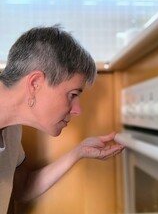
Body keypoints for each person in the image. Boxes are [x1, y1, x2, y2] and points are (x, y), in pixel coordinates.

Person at [0, 25, 124, 213]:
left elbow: (20, 187)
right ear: (35, 83)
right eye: (72, 94)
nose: (77, 110)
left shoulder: (12, 127)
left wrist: (79, 151)